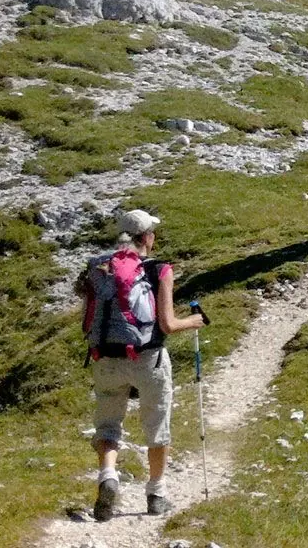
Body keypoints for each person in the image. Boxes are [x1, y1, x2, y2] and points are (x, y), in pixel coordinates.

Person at [78, 209, 207, 522]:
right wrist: (195, 321)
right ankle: (156, 494)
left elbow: (88, 319)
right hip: (148, 358)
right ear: (147, 237)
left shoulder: (98, 268)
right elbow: (168, 323)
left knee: (108, 425)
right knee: (156, 424)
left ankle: (108, 477)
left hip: (105, 358)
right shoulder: (160, 269)